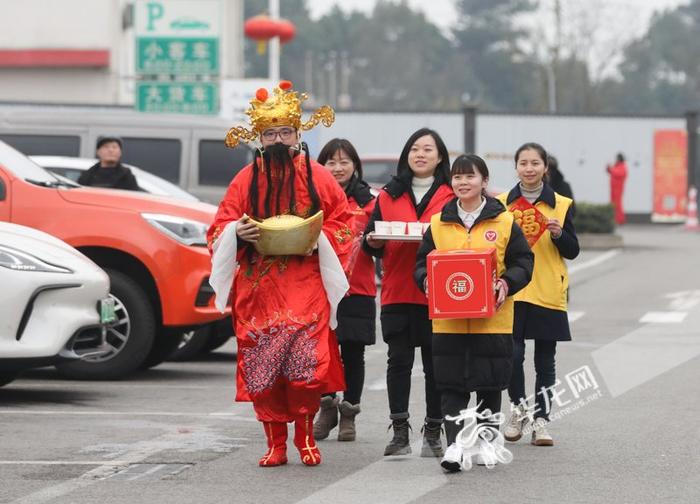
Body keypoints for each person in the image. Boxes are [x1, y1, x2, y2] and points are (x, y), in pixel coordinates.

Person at [206, 81, 355, 467]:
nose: (277, 139)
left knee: (305, 364)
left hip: (305, 282)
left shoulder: (319, 176)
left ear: (297, 134)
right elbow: (219, 224)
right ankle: (275, 443)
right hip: (258, 287)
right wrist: (237, 232)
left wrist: (316, 239)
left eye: (284, 132)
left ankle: (305, 438)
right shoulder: (245, 179)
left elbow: (344, 222)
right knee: (262, 366)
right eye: (269, 133)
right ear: (259, 137)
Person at [414, 154, 533, 472]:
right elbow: (421, 263)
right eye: (457, 177)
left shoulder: (504, 221)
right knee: (451, 384)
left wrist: (506, 284)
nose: (462, 183)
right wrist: (426, 281)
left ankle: (485, 441)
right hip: (449, 322)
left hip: (492, 319)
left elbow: (524, 262)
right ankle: (455, 445)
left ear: (484, 181)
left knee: (490, 382)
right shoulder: (439, 223)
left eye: (470, 176)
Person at [363, 128, 455, 458]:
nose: (420, 154)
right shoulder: (388, 195)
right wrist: (372, 242)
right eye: (414, 149)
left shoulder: (451, 194)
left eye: (428, 150)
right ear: (406, 156)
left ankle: (433, 431)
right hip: (397, 290)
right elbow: (370, 239)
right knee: (398, 361)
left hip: (437, 294)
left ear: (440, 156)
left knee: (435, 365)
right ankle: (399, 431)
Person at [496, 142, 580, 447]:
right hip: (513, 290)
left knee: (545, 361)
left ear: (545, 166)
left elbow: (573, 249)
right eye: (523, 163)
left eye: (535, 163)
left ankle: (542, 421)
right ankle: (518, 411)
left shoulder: (561, 203)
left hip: (547, 290)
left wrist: (559, 235)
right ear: (516, 167)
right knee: (513, 356)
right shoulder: (502, 203)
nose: (529, 169)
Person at [313, 139, 377, 442]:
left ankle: (349, 413)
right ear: (321, 166)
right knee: (323, 351)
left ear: (355, 165)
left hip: (358, 287)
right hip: (320, 286)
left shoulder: (370, 201)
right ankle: (327, 406)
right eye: (331, 162)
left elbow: (382, 243)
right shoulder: (312, 199)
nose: (338, 168)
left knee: (353, 352)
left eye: (344, 162)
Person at [606, 153, 628, 224]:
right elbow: (611, 171)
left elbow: (618, 173)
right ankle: (614, 219)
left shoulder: (622, 166)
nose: (616, 159)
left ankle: (620, 220)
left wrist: (611, 169)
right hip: (613, 188)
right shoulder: (616, 166)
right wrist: (608, 168)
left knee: (617, 204)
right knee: (613, 204)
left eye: (617, 158)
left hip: (618, 189)